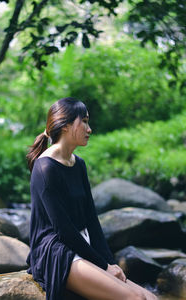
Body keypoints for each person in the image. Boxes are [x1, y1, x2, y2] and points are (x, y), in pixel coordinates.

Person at [26, 97, 157, 300]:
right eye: (84, 121)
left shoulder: (78, 164)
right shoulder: (45, 168)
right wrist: (103, 266)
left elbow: (91, 220)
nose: (90, 129)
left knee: (150, 297)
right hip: (57, 251)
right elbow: (63, 230)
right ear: (66, 125)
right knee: (135, 299)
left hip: (82, 244)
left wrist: (110, 263)